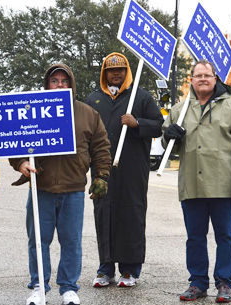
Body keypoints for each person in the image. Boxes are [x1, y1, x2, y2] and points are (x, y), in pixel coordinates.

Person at [9, 63, 111, 305]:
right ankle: (38, 287)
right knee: (38, 242)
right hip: (41, 188)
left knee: (72, 243)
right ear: (46, 85)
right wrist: (21, 163)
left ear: (71, 84)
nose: (59, 85)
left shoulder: (88, 114)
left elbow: (101, 147)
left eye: (64, 81)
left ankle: (68, 288)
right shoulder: (31, 110)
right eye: (54, 81)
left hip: (73, 189)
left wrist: (101, 176)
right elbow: (13, 141)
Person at [162, 59, 231, 303]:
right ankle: (198, 283)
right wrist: (169, 136)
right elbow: (165, 142)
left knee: (225, 236)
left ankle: (224, 282)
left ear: (216, 79)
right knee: (195, 237)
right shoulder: (179, 110)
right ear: (191, 80)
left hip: (223, 185)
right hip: (191, 185)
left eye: (207, 75)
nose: (203, 79)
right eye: (198, 75)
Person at [85, 52, 164, 288]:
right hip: (102, 169)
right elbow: (83, 134)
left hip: (132, 170)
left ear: (127, 71)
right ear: (104, 73)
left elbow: (159, 126)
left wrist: (137, 123)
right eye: (111, 70)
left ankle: (130, 270)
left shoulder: (140, 97)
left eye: (120, 69)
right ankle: (105, 268)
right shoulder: (93, 100)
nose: (116, 73)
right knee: (104, 215)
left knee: (131, 216)